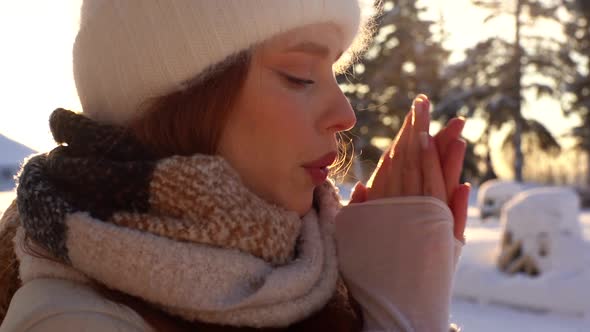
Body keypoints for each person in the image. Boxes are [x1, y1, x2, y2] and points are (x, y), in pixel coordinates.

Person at [0, 1, 469, 331]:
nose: (345, 114)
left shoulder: (314, 273)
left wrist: (378, 287)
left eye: (336, 74)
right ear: (186, 98)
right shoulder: (73, 322)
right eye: (299, 75)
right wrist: (402, 319)